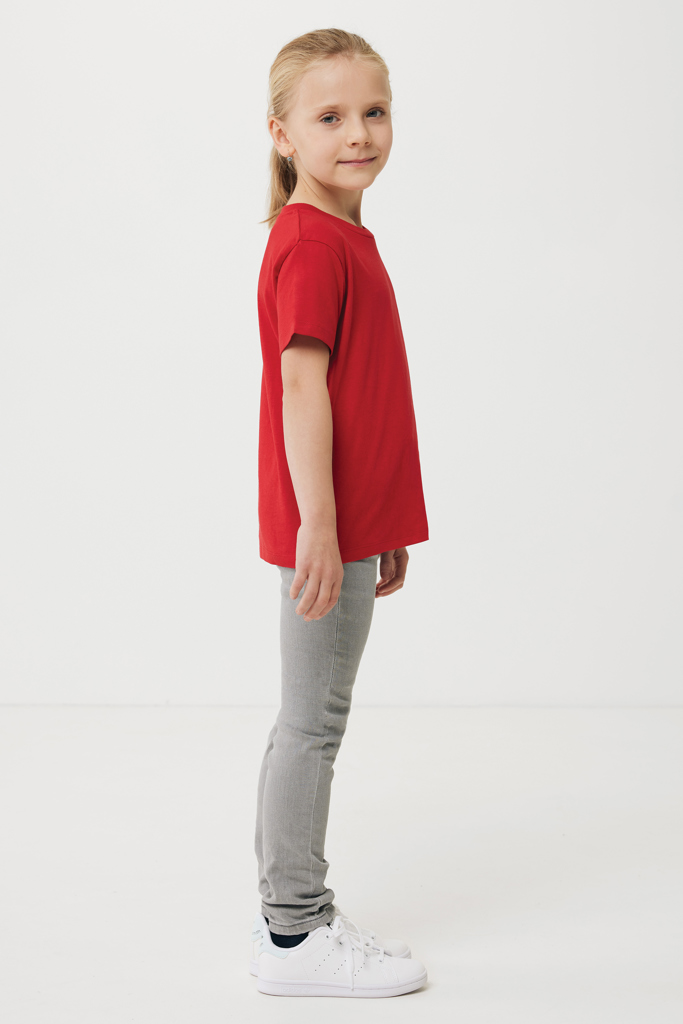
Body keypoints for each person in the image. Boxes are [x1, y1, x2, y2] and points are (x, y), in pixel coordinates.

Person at [251, 28, 430, 998]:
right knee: (311, 723)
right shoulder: (314, 242)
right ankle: (292, 935)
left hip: (348, 522)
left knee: (307, 719)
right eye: (328, 116)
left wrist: (378, 518)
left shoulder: (337, 236)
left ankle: (292, 920)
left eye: (373, 111)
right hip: (324, 528)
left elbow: (360, 394)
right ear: (282, 134)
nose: (357, 133)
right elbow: (301, 386)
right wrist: (321, 525)